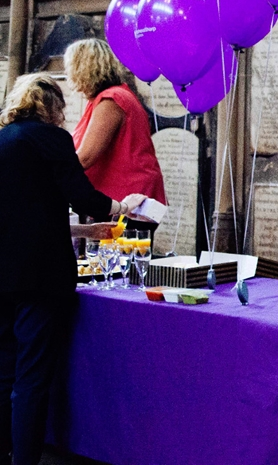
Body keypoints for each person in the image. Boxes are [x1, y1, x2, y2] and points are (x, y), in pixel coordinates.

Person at [0, 73, 146, 465]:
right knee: (31, 376)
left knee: (4, 370)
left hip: (3, 273)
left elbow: (28, 213)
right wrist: (121, 207)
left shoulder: (3, 141)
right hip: (39, 277)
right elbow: (80, 195)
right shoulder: (51, 139)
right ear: (52, 108)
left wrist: (83, 229)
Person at [63, 39, 166, 208]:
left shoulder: (111, 99)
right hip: (123, 195)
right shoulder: (107, 97)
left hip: (129, 197)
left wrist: (47, 175)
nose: (68, 74)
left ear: (82, 69)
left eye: (70, 68)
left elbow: (85, 157)